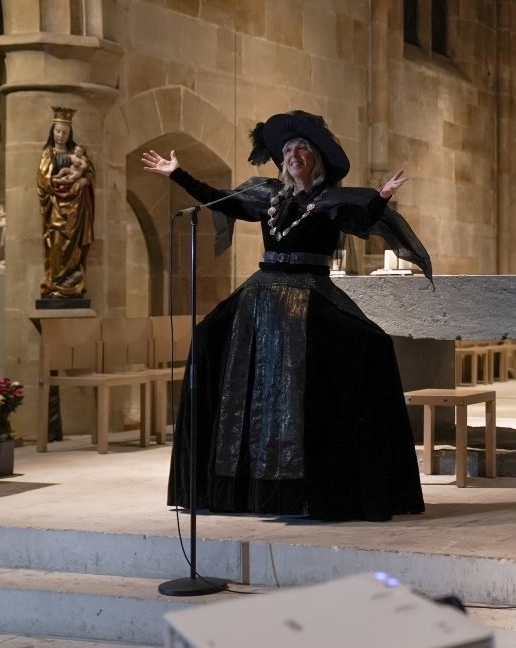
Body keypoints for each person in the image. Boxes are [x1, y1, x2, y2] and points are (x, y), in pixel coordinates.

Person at [141, 110, 432, 521]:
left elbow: (360, 220)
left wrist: (381, 198)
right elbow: (216, 196)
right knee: (208, 335)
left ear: (316, 160)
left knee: (371, 343)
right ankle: (221, 485)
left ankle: (346, 480)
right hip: (262, 291)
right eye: (288, 150)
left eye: (302, 149)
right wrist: (177, 174)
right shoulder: (267, 197)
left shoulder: (331, 201)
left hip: (311, 290)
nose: (293, 155)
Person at [37, 108, 95, 299]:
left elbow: (90, 174)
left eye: (65, 132)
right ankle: (55, 282)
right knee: (56, 243)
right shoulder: (48, 154)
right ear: (52, 131)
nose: (61, 135)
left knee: (74, 245)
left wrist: (85, 181)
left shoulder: (77, 153)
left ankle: (71, 281)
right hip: (56, 206)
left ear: (70, 134)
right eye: (58, 131)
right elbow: (43, 179)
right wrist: (57, 183)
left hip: (76, 209)